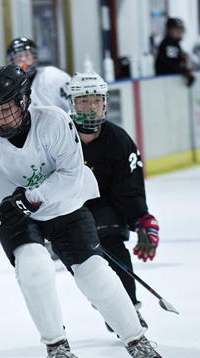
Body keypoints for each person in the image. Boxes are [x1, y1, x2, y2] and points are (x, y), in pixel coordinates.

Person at [0, 66, 164, 358]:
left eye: (7, 108)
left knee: (94, 274)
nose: (1, 117)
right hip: (15, 216)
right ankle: (56, 345)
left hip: (64, 208)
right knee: (33, 267)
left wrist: (32, 196)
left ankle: (136, 339)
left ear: (24, 100)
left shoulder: (54, 121)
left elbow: (71, 176)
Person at [65, 71, 159, 333]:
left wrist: (142, 219)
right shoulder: (59, 137)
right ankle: (109, 304)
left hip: (106, 207)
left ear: (104, 103)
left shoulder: (118, 140)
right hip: (69, 210)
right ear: (72, 104)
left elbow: (128, 187)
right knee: (87, 268)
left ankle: (128, 311)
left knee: (115, 250)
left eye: (95, 100)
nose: (90, 107)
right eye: (83, 101)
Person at [6, 37, 70, 112]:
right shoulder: (10, 87)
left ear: (34, 56)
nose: (23, 60)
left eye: (27, 55)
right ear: (12, 61)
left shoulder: (54, 76)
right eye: (18, 57)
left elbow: (72, 105)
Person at [155, 18, 195, 86]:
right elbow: (172, 65)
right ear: (169, 31)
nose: (180, 33)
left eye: (180, 30)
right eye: (177, 30)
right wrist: (184, 71)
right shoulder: (168, 44)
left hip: (170, 82)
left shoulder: (175, 44)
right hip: (165, 82)